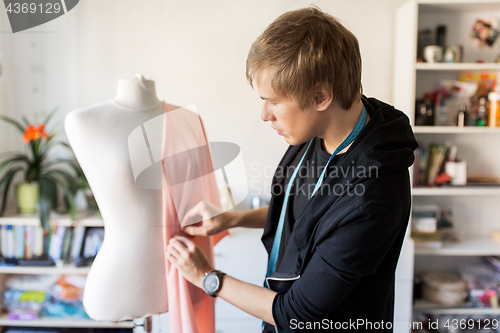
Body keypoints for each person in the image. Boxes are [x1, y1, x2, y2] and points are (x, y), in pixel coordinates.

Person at [165, 6, 418, 332]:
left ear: (321, 95)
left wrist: (207, 278)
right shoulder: (324, 127)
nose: (264, 114)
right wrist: (233, 218)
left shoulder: (373, 198)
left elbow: (295, 313)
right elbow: (308, 213)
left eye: (273, 100)